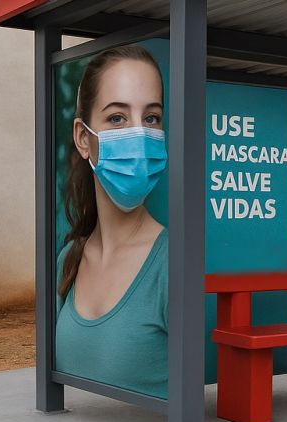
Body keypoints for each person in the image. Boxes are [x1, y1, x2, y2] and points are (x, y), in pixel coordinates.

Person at [55, 45, 169, 399]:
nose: (138, 134)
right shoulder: (68, 259)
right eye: (117, 118)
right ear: (83, 138)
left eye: (151, 118)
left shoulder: (172, 264)